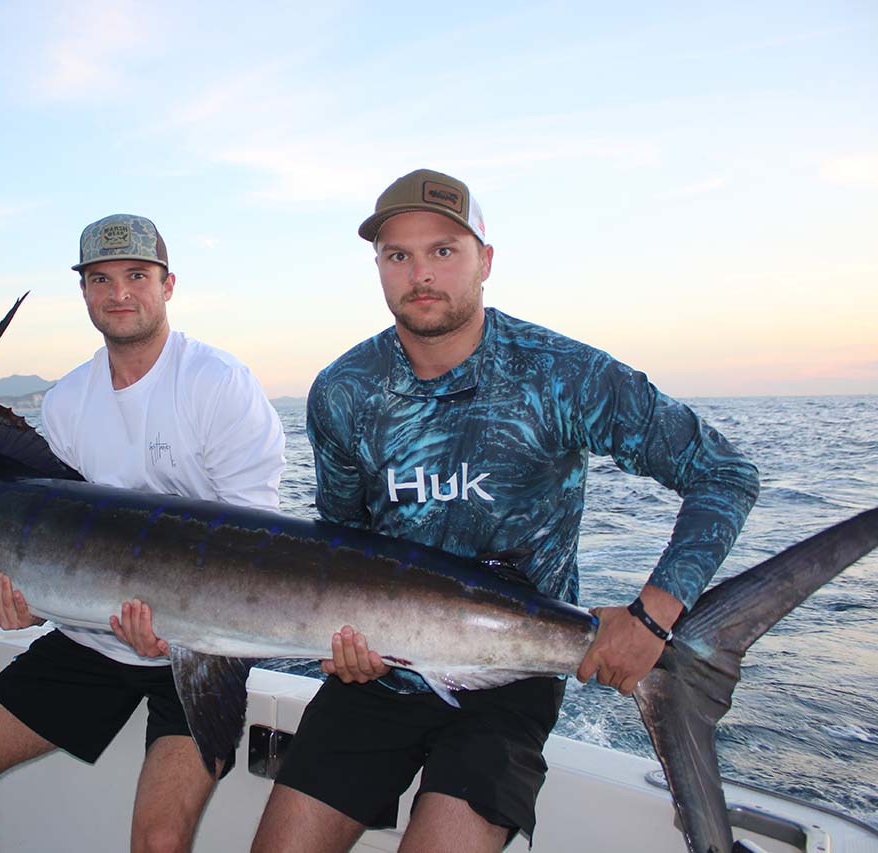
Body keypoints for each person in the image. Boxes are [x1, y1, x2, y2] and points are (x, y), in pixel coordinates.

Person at [250, 169, 761, 853]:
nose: (420, 273)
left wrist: (653, 614)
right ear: (377, 267)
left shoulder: (561, 375)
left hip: (509, 678)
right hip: (381, 676)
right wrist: (338, 647)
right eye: (398, 255)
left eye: (443, 250)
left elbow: (723, 473)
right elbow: (340, 543)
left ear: (484, 261)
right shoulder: (343, 391)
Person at [0, 213, 286, 853]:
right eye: (101, 278)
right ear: (84, 291)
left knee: (160, 841)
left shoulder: (216, 383)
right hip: (91, 641)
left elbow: (259, 549)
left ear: (167, 285)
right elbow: (47, 543)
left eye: (136, 276)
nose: (119, 293)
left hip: (199, 650)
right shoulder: (65, 402)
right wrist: (24, 605)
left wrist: (172, 625)